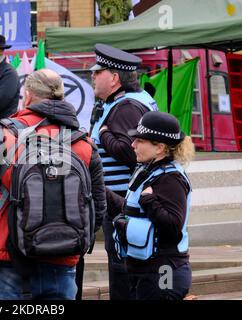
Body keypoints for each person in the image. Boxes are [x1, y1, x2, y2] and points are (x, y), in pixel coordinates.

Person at [0, 69, 106, 300]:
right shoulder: (83, 142)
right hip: (63, 249)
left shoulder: (4, 134)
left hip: (8, 247)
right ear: (61, 96)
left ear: (27, 96)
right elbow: (98, 205)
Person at [89, 43, 158, 300]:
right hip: (122, 204)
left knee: (123, 275)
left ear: (115, 78)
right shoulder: (125, 103)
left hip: (121, 205)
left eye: (98, 72)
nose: (92, 76)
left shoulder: (127, 107)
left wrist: (104, 136)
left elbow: (136, 156)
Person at [107, 111, 194, 300]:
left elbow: (172, 226)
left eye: (139, 140)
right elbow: (131, 210)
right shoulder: (149, 170)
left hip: (164, 271)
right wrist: (100, 191)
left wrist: (149, 201)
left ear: (159, 147)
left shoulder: (170, 179)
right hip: (144, 270)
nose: (133, 145)